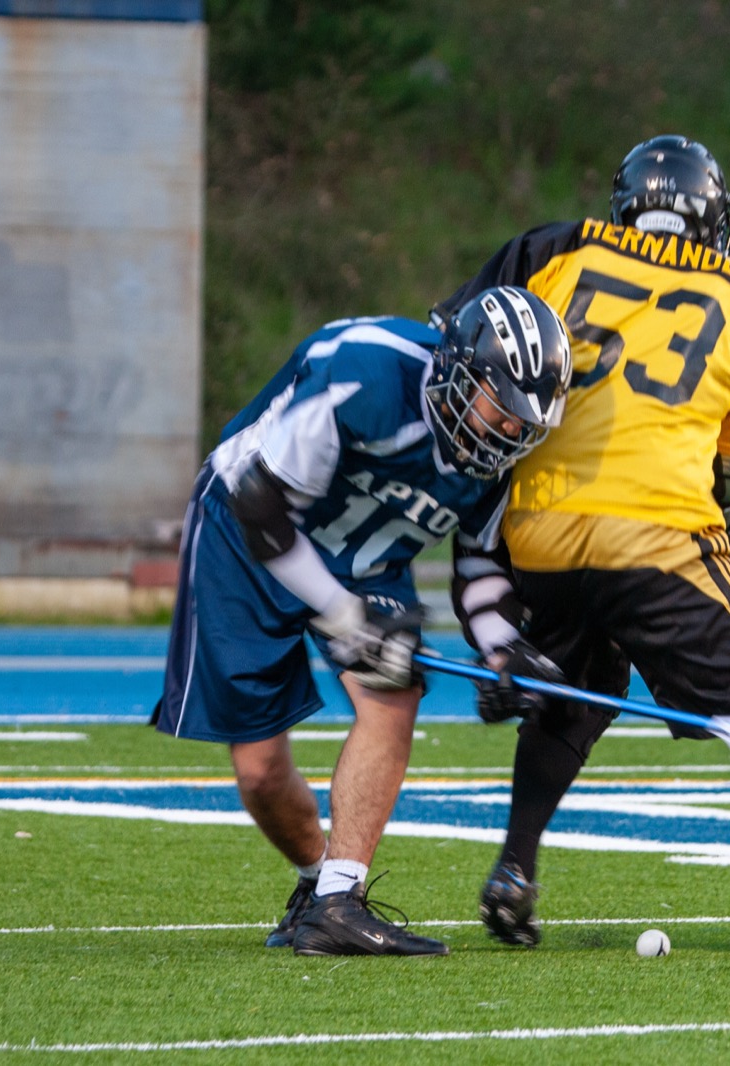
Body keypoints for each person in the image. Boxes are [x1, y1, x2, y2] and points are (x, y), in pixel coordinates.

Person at [432, 135, 730, 960]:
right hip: (657, 535)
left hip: (535, 535)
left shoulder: (553, 248)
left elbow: (463, 342)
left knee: (581, 681)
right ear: (716, 222)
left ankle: (514, 871)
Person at [152, 287, 573, 956]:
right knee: (260, 767)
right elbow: (263, 507)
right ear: (457, 372)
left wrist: (503, 647)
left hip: (367, 556)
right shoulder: (363, 372)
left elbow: (479, 561)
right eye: (504, 408)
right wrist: (347, 618)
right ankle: (315, 879)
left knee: (393, 698)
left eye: (529, 421)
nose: (512, 433)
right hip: (248, 532)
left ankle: (337, 904)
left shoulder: (495, 453)